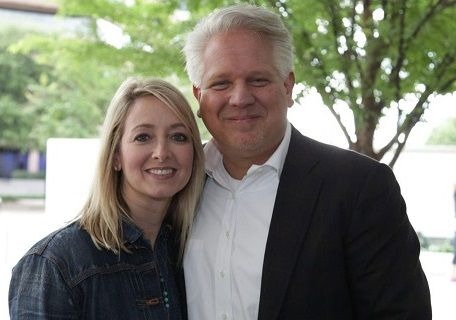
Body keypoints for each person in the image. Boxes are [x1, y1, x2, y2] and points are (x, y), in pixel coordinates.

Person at [182, 4, 432, 319]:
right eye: (221, 83)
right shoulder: (176, 185)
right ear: (199, 96)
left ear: (287, 87)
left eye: (258, 80)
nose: (240, 98)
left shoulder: (360, 188)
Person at [9, 77, 205, 319]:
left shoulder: (190, 252)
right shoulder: (55, 264)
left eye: (178, 137)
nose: (162, 152)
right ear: (115, 155)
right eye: (143, 137)